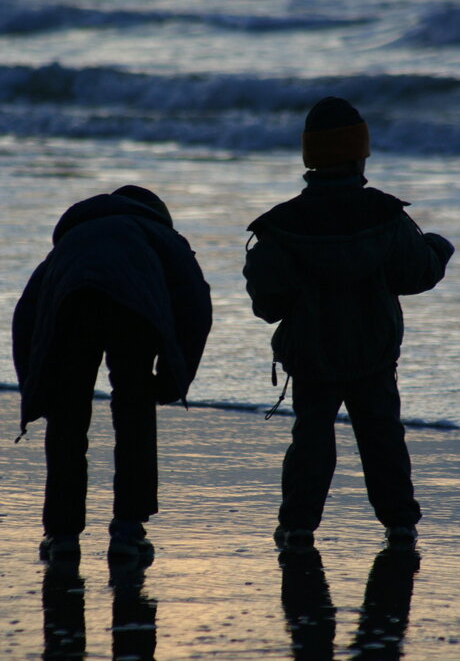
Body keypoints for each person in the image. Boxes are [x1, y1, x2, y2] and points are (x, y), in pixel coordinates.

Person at [243, 97, 454, 552]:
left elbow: (267, 304)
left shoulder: (282, 225)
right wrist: (438, 247)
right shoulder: (385, 214)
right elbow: (416, 275)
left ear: (310, 158)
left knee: (312, 441)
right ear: (360, 154)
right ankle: (400, 525)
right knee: (382, 438)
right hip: (373, 350)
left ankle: (298, 526)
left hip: (313, 353)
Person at [13, 185, 212, 562]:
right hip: (132, 309)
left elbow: (27, 317)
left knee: (67, 416)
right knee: (134, 410)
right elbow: (194, 303)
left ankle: (62, 537)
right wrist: (173, 379)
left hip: (73, 301)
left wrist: (36, 392)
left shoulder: (68, 243)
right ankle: (127, 531)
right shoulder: (160, 235)